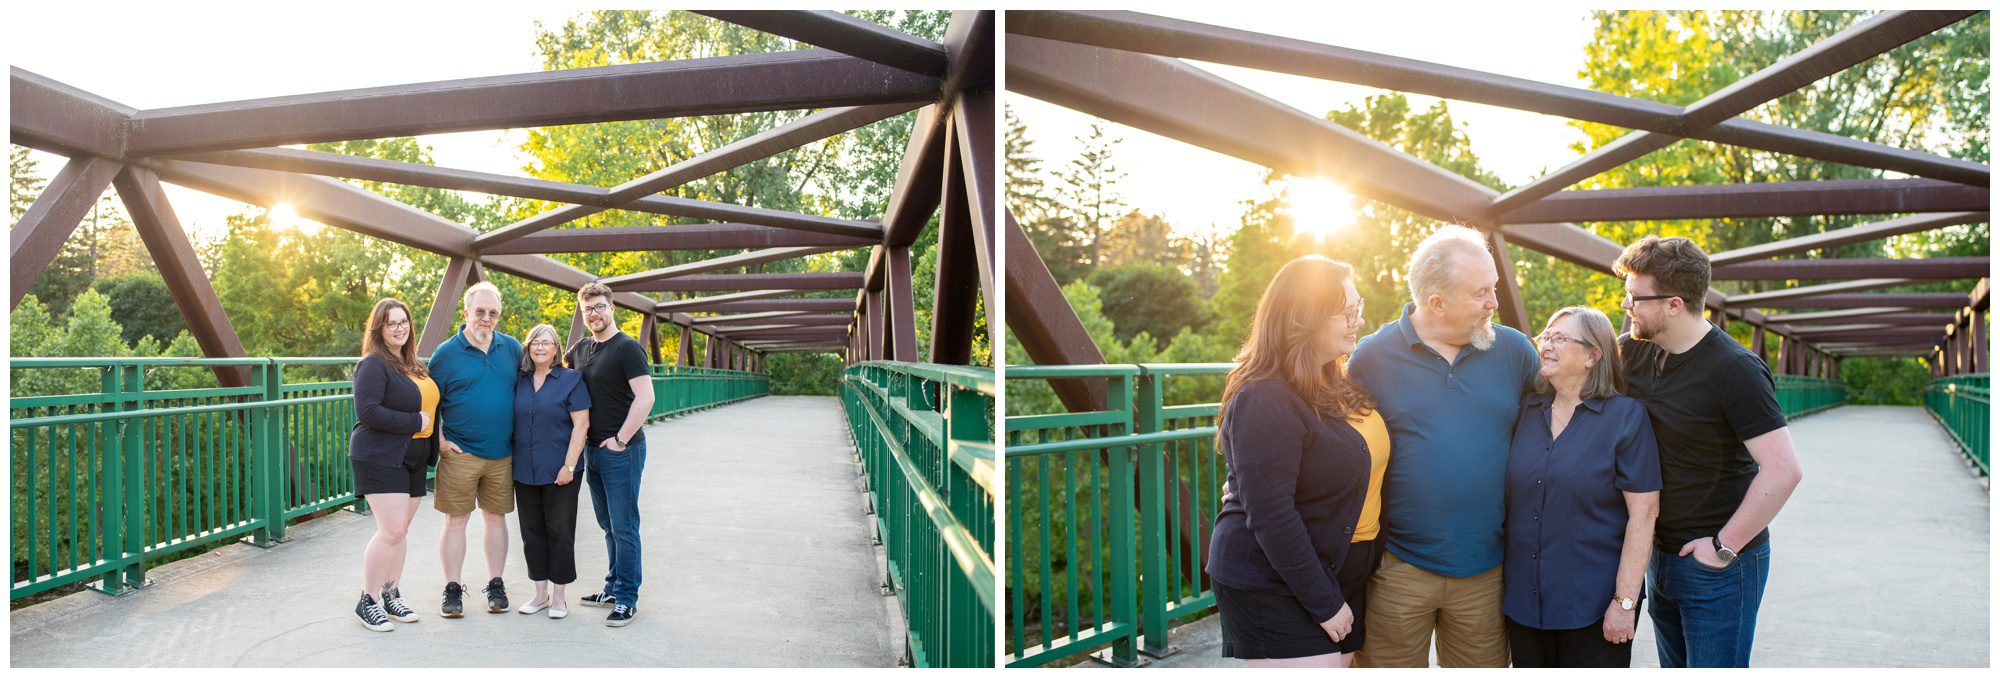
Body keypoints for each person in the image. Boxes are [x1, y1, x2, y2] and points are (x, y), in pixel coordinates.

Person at [1347, 225, 1539, 668]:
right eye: (1481, 293)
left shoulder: (1514, 350)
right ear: (1436, 302)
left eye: (1494, 287)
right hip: (1397, 566)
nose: (1494, 302)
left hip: (1486, 568)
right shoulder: (1371, 357)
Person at [1614, 236, 1803, 668]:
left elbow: (1783, 469)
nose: (1628, 307)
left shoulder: (1734, 369)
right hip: (1657, 558)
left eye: (1636, 298)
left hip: (1719, 567)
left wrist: (1722, 548)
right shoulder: (1634, 351)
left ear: (1674, 304)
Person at [1205, 255, 1378, 668]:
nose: (1358, 322)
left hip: (1332, 573)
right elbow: (1272, 514)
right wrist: (1324, 603)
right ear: (1306, 318)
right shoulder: (1263, 397)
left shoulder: (1329, 380)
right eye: (1347, 313)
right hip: (1272, 581)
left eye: (1360, 309)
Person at [1503, 306, 1661, 667]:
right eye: (1546, 336)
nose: (1546, 345)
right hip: (1525, 607)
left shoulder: (1626, 417)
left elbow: (1644, 513)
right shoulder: (1526, 410)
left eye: (1560, 339)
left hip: (1593, 607)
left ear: (1593, 354)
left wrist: (1625, 604)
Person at [428, 281, 524, 617]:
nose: (486, 318)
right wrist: (439, 440)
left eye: (493, 313)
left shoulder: (512, 349)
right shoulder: (445, 353)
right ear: (466, 312)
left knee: (496, 520)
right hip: (460, 452)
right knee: (456, 521)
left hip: (503, 453)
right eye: (480, 312)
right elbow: (429, 401)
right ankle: (452, 589)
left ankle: (495, 584)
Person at [566, 282, 657, 627]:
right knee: (608, 525)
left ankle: (628, 598)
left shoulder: (627, 348)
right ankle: (612, 588)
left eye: (600, 306)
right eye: (588, 309)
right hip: (592, 449)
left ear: (612, 308)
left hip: (623, 450)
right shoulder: (580, 349)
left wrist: (620, 439)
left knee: (625, 526)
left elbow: (645, 398)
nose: (594, 313)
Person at [348, 298, 438, 632]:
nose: (400, 328)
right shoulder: (373, 364)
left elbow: (431, 406)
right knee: (392, 530)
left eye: (404, 322)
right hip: (379, 455)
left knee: (401, 532)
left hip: (413, 456)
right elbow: (367, 412)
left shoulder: (412, 364)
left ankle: (391, 594)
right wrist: (414, 420)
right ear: (379, 329)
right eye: (392, 324)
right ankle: (367, 600)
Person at [511, 324, 591, 620]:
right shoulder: (520, 381)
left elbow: (581, 426)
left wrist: (569, 466)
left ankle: (559, 597)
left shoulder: (571, 380)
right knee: (532, 533)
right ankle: (540, 594)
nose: (540, 348)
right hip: (525, 469)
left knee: (559, 531)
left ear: (557, 349)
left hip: (562, 471)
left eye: (546, 343)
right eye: (535, 343)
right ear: (528, 349)